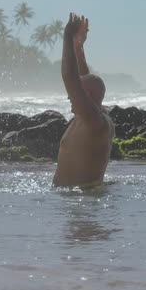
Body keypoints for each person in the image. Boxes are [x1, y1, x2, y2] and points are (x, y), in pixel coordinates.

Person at [53, 13, 115, 187]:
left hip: (81, 200)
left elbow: (70, 78)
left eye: (76, 94)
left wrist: (66, 35)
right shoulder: (93, 117)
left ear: (86, 98)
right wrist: (77, 45)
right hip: (76, 198)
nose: (69, 96)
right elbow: (82, 79)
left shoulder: (95, 122)